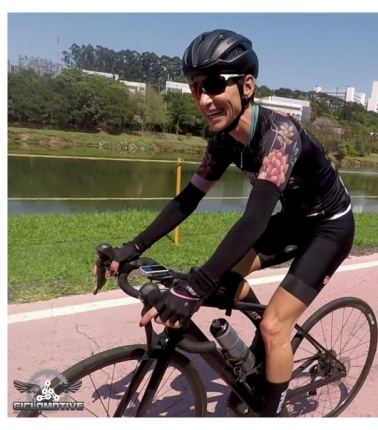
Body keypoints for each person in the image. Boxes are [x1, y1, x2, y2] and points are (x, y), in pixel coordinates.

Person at [101, 29, 354, 417]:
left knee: (274, 327)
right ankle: (256, 355)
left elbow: (255, 218)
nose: (204, 99)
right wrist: (133, 247)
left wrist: (194, 288)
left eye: (215, 85)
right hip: (292, 220)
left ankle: (270, 413)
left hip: (330, 228)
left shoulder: (280, 135)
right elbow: (188, 199)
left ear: (247, 86)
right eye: (196, 87)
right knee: (226, 278)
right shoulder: (223, 141)